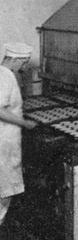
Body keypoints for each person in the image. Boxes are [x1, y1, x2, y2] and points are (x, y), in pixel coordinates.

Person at [0, 42, 37, 228]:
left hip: (6, 138)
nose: (24, 68)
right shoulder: (4, 78)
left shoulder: (5, 74)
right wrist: (25, 123)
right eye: (24, 63)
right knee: (5, 188)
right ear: (14, 60)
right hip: (3, 141)